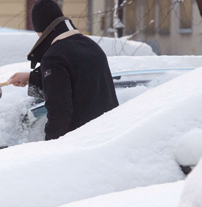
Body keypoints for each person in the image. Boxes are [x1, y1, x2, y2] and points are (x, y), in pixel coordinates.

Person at [8, 0, 119, 140]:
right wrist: (31, 77)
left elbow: (59, 112)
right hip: (110, 136)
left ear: (42, 31)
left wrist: (50, 147)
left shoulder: (54, 57)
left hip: (81, 144)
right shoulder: (91, 46)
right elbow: (77, 81)